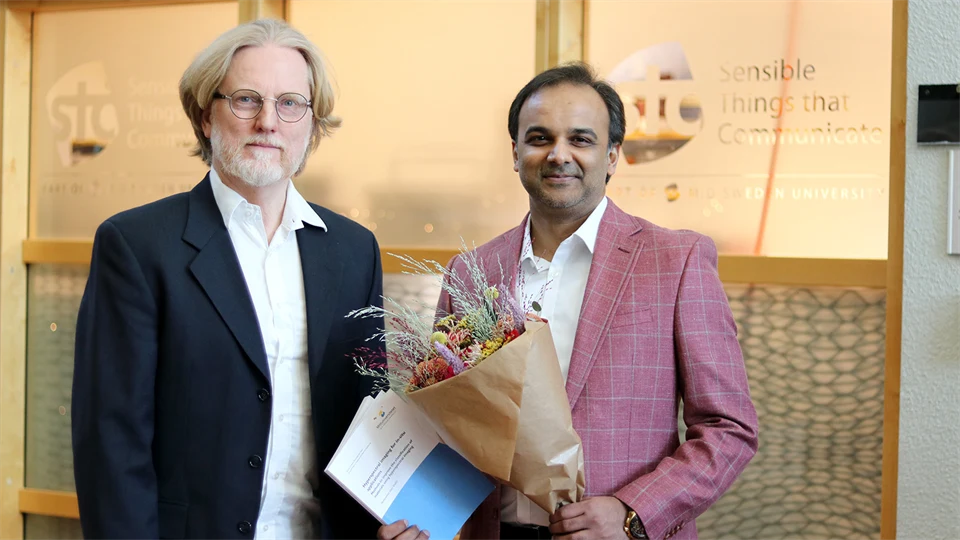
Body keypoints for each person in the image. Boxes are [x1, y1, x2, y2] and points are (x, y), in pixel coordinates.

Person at [379, 63, 759, 540]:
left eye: (581, 139)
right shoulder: (471, 272)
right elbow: (445, 428)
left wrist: (631, 512)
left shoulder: (675, 261)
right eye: (539, 138)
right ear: (515, 153)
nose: (559, 155)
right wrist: (418, 521)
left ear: (613, 155)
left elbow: (729, 429)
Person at [72, 19, 382, 540]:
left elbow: (372, 418)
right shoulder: (138, 245)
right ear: (205, 116)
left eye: (290, 103)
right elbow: (111, 442)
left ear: (312, 123)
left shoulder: (353, 250)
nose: (268, 121)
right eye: (245, 99)